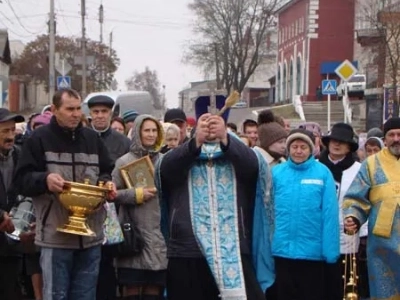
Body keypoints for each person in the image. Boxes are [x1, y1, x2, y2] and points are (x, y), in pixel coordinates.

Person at [155, 95, 274, 300]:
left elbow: (253, 168)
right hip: (187, 248)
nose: (210, 127)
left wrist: (226, 139)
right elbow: (165, 171)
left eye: (215, 122)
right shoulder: (184, 151)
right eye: (206, 122)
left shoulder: (236, 150)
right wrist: (195, 143)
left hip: (232, 247)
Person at [14, 88, 117, 300]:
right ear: (54, 110)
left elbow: (107, 169)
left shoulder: (92, 138)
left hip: (91, 236)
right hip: (55, 237)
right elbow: (21, 180)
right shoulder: (38, 139)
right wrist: (44, 180)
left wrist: (106, 183)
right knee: (55, 295)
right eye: (70, 109)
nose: (76, 114)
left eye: (79, 108)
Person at [272, 129, 339, 300]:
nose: (298, 151)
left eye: (303, 147)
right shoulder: (276, 173)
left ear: (311, 149)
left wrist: (330, 251)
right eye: (294, 146)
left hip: (312, 252)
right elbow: (267, 212)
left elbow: (330, 214)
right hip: (281, 250)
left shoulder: (322, 173)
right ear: (288, 149)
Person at [343, 117, 400, 300]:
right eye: (391, 135)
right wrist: (353, 217)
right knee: (385, 293)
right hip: (383, 245)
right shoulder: (371, 164)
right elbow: (356, 198)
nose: (396, 138)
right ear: (385, 139)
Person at [113, 114, 167, 300]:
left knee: (154, 289)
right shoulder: (123, 162)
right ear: (137, 132)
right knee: (132, 290)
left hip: (158, 234)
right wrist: (135, 195)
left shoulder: (165, 161)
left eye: (154, 130)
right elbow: (110, 195)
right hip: (132, 234)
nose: (151, 135)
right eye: (147, 130)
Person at [319, 123, 366, 300]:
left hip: (347, 234)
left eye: (342, 142)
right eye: (333, 140)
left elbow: (364, 200)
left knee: (345, 283)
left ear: (349, 147)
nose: (336, 145)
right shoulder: (316, 167)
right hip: (319, 232)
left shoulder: (359, 170)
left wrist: (358, 221)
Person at [0, 108, 24, 299]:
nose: (10, 136)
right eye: (4, 132)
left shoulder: (20, 156)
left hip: (12, 242)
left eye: (12, 130)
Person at [88, 95, 131, 162]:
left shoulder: (124, 142)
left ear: (110, 114)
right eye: (96, 112)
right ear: (90, 114)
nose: (100, 116)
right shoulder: (80, 139)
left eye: (104, 111)